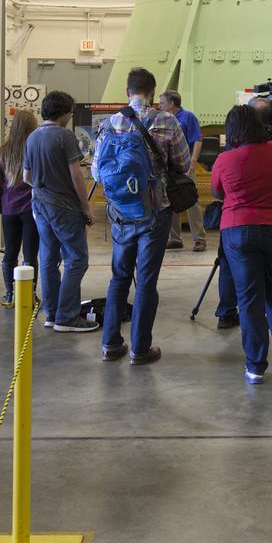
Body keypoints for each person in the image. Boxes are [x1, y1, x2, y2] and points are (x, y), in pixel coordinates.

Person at [93, 67, 191, 365]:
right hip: (155, 211)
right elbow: (184, 164)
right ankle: (140, 349)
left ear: (127, 91)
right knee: (146, 281)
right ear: (152, 92)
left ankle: (110, 344)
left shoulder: (110, 123)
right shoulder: (166, 119)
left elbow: (98, 171)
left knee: (119, 277)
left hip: (121, 211)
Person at [210, 105, 272, 384]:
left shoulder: (226, 159)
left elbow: (217, 190)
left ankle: (255, 366)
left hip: (239, 230)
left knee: (249, 298)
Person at [24, 92, 98, 333]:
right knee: (77, 260)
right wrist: (86, 207)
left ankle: (52, 313)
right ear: (65, 113)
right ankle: (67, 317)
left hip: (40, 204)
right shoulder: (65, 136)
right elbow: (77, 175)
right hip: (64, 207)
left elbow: (26, 177)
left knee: (48, 259)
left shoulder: (33, 137)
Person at [0, 109, 40, 305]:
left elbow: (0, 179)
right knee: (30, 254)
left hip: (8, 209)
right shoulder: (34, 149)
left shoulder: (2, 151)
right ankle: (28, 295)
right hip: (30, 208)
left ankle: (9, 292)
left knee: (10, 252)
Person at [160, 90, 207, 253]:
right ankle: (175, 239)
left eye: (162, 103)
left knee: (191, 201)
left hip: (185, 165)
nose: (160, 106)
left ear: (171, 104)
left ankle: (199, 239)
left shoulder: (188, 117)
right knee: (170, 201)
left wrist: (192, 163)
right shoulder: (164, 119)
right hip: (169, 168)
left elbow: (197, 140)